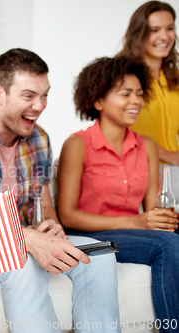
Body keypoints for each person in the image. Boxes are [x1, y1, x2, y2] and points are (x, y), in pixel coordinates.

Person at [0, 48, 120, 332]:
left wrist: (50, 226)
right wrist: (21, 236)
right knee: (22, 262)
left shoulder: (39, 139)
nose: (40, 106)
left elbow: (44, 205)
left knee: (99, 256)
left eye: (45, 95)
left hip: (29, 235)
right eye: (29, 96)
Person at [57, 56, 179, 332]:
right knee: (166, 245)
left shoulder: (146, 145)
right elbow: (68, 215)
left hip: (135, 233)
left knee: (170, 237)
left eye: (139, 94)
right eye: (125, 94)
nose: (135, 101)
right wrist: (136, 222)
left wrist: (162, 219)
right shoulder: (78, 144)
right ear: (98, 101)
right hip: (94, 235)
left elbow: (153, 209)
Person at [118, 1, 179, 195]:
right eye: (155, 30)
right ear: (139, 34)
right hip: (136, 170)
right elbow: (114, 130)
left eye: (170, 28)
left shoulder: (174, 78)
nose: (164, 36)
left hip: (173, 173)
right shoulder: (123, 76)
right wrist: (168, 155)